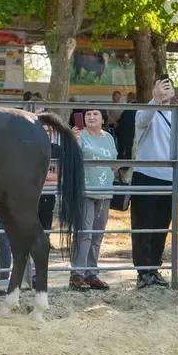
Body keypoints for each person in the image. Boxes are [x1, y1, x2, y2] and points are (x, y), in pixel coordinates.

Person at [131, 78, 178, 288]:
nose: (165, 91)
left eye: (169, 87)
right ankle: (143, 272)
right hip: (146, 175)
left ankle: (154, 268)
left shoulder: (176, 117)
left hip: (169, 179)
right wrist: (155, 98)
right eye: (162, 87)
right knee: (143, 226)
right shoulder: (145, 112)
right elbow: (143, 120)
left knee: (161, 227)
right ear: (154, 89)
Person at [71, 108, 117, 291]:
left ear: (103, 119)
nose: (91, 117)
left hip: (105, 190)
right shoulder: (78, 135)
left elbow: (114, 161)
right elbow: (71, 159)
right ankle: (77, 274)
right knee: (84, 233)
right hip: (85, 190)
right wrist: (73, 141)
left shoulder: (109, 137)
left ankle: (92, 274)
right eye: (88, 114)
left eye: (95, 114)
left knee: (97, 235)